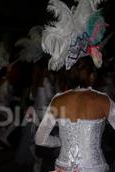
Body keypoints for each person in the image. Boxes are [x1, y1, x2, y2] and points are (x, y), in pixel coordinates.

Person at [35, 0, 113, 171]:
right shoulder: (104, 100)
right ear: (92, 74)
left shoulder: (58, 100)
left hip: (62, 166)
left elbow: (40, 139)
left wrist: (60, 141)